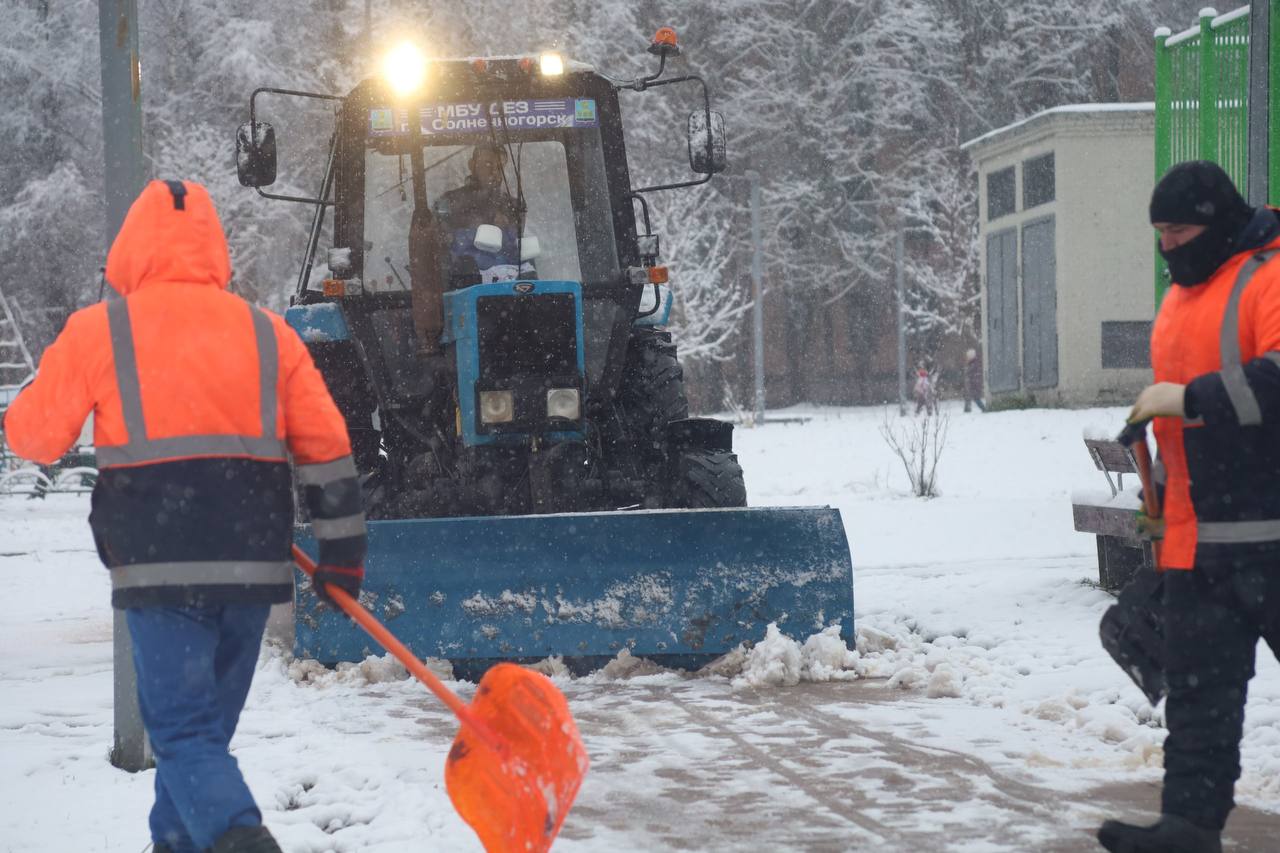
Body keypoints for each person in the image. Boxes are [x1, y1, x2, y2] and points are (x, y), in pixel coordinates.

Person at [1, 180, 368, 853]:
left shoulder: (99, 331)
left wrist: (33, 400)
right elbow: (327, 445)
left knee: (183, 735)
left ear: (129, 254)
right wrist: (342, 551)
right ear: (215, 249)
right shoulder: (268, 332)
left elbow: (34, 438)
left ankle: (241, 840)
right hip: (252, 571)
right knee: (197, 741)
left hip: (158, 565)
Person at [1098, 161, 1280, 853]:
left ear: (1215, 221)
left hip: (1271, 532)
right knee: (1201, 700)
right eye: (1159, 232)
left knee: (1206, 691)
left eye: (1178, 229)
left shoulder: (1269, 277)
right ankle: (1189, 826)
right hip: (1199, 538)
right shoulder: (1181, 296)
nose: (1167, 245)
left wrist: (1191, 399)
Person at [409, 143, 531, 354]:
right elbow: (437, 247)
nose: (494, 171)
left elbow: (518, 247)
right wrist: (473, 234)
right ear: (471, 166)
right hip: (459, 294)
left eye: (499, 166)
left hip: (508, 295)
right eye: (487, 164)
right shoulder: (450, 202)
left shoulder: (512, 205)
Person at [963, 348, 986, 413]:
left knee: (976, 398)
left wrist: (972, 383)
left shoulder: (974, 364)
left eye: (968, 356)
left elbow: (973, 375)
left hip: (974, 384)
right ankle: (968, 409)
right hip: (973, 384)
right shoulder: (972, 363)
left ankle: (984, 409)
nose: (967, 358)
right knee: (973, 397)